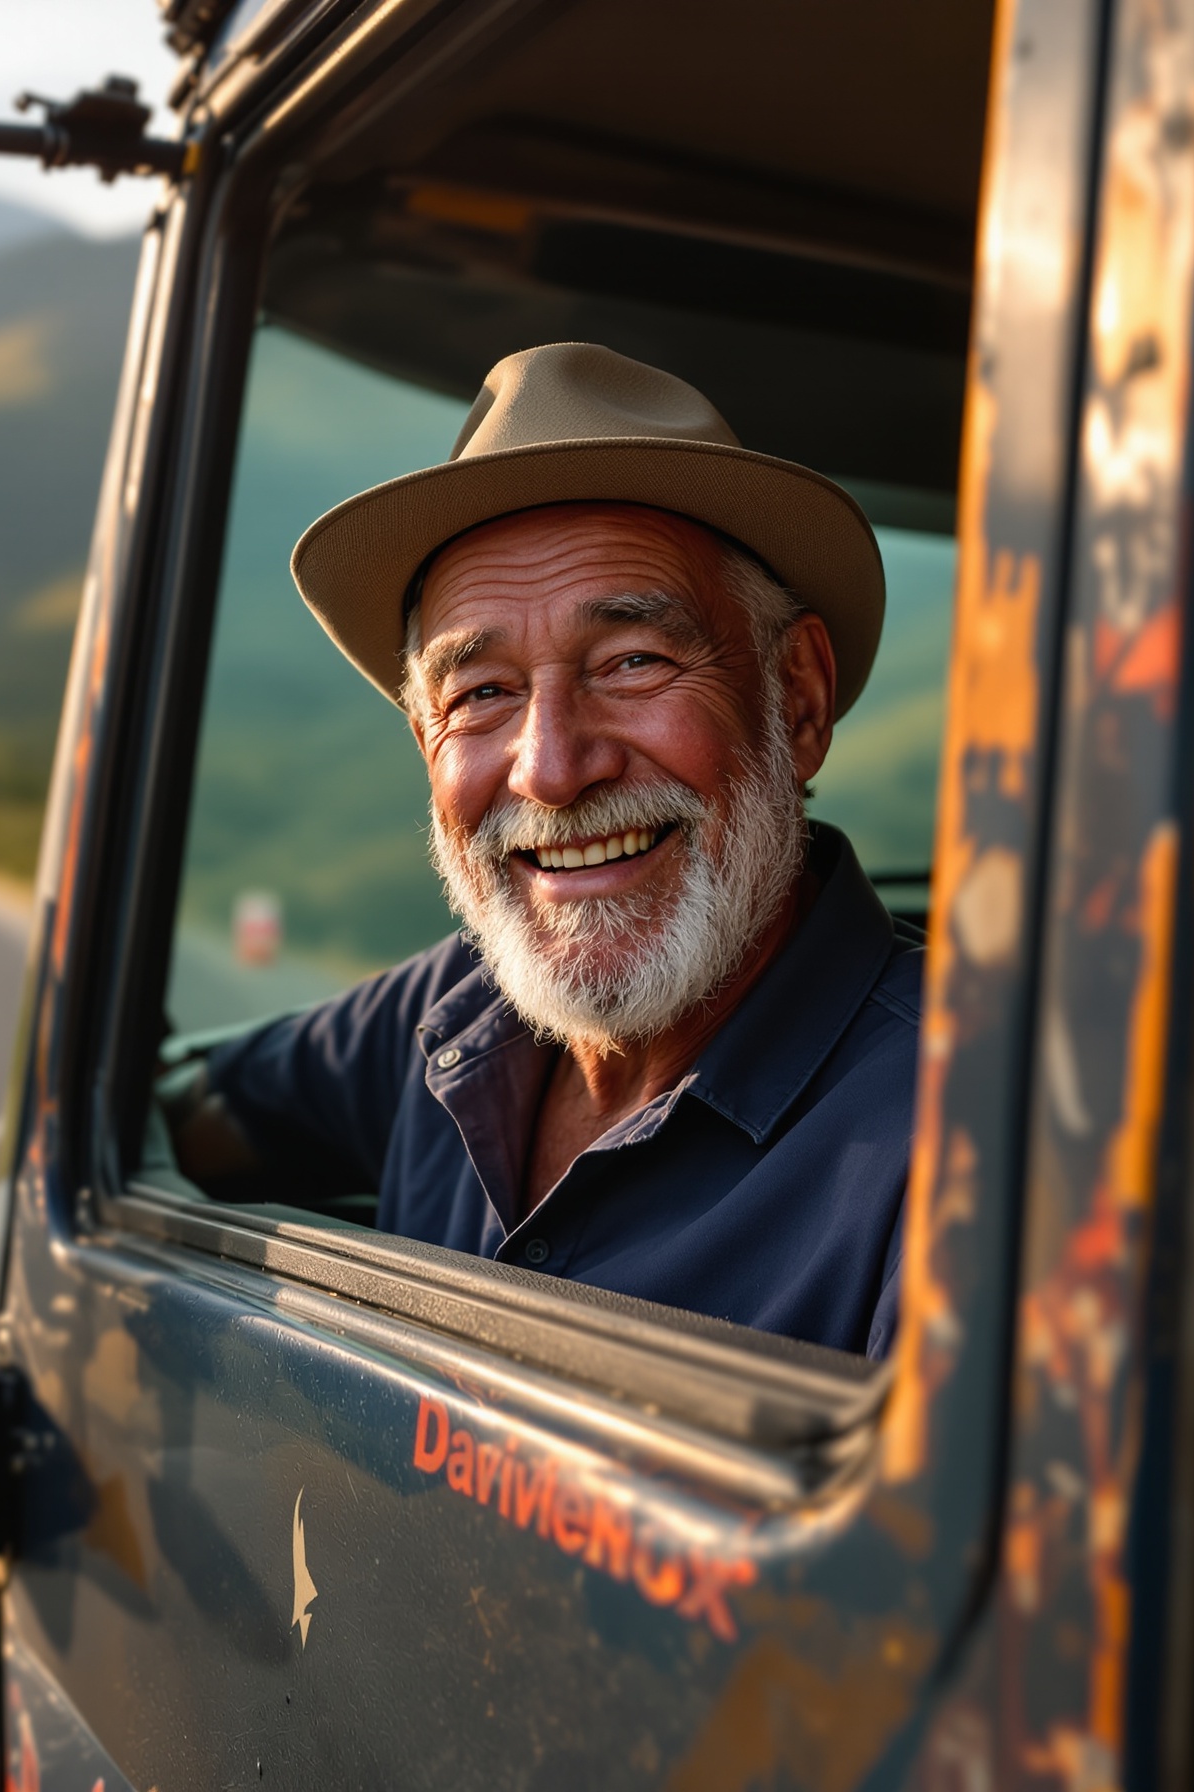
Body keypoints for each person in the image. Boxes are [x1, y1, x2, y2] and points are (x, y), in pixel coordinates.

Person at [167, 343, 918, 1359]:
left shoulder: (958, 1142)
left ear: (798, 698)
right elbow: (191, 1112)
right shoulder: (446, 1021)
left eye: (633, 661)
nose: (551, 768)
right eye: (480, 693)